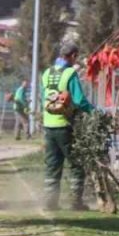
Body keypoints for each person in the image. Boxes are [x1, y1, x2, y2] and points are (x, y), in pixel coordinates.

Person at [40, 42, 95, 210]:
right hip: (65, 124)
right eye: (75, 57)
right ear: (72, 55)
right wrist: (93, 112)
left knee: (52, 164)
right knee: (76, 162)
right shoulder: (70, 73)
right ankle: (75, 201)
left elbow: (44, 98)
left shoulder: (47, 73)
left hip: (48, 124)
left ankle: (51, 201)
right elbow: (79, 100)